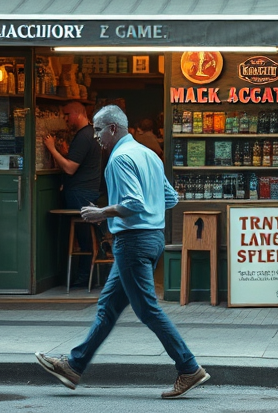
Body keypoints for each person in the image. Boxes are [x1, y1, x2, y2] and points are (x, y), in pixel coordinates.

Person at [35, 105, 208, 399]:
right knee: (108, 308)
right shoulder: (148, 154)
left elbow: (134, 203)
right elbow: (170, 198)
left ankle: (189, 367)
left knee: (147, 309)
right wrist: (149, 215)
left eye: (99, 129)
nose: (96, 136)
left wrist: (101, 212)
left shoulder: (119, 159)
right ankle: (73, 366)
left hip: (133, 242)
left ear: (113, 128)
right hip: (151, 239)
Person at [43, 101, 102, 288]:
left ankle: (84, 278)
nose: (65, 119)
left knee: (84, 238)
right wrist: (64, 153)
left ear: (78, 113)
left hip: (80, 192)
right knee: (87, 236)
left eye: (67, 114)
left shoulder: (83, 136)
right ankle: (88, 276)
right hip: (89, 190)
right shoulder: (92, 133)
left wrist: (51, 148)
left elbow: (69, 169)